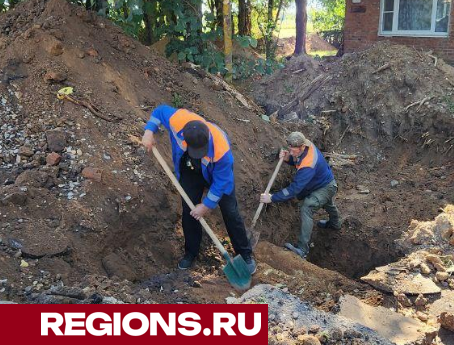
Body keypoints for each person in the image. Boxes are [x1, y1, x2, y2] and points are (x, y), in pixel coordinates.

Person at [141, 105, 255, 273]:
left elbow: (221, 183)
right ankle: (191, 253)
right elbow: (159, 111)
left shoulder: (222, 150)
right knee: (190, 210)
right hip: (190, 170)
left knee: (230, 211)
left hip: (216, 175)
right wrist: (149, 131)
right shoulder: (178, 120)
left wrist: (207, 205)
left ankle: (244, 254)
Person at [259, 131, 340, 259]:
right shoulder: (305, 146)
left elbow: (294, 189)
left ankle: (302, 250)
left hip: (325, 186)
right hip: (323, 182)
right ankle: (335, 224)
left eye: (293, 151)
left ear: (302, 147)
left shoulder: (308, 164)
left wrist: (272, 197)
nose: (291, 152)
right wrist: (288, 158)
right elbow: (298, 160)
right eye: (289, 149)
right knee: (327, 203)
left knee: (307, 207)